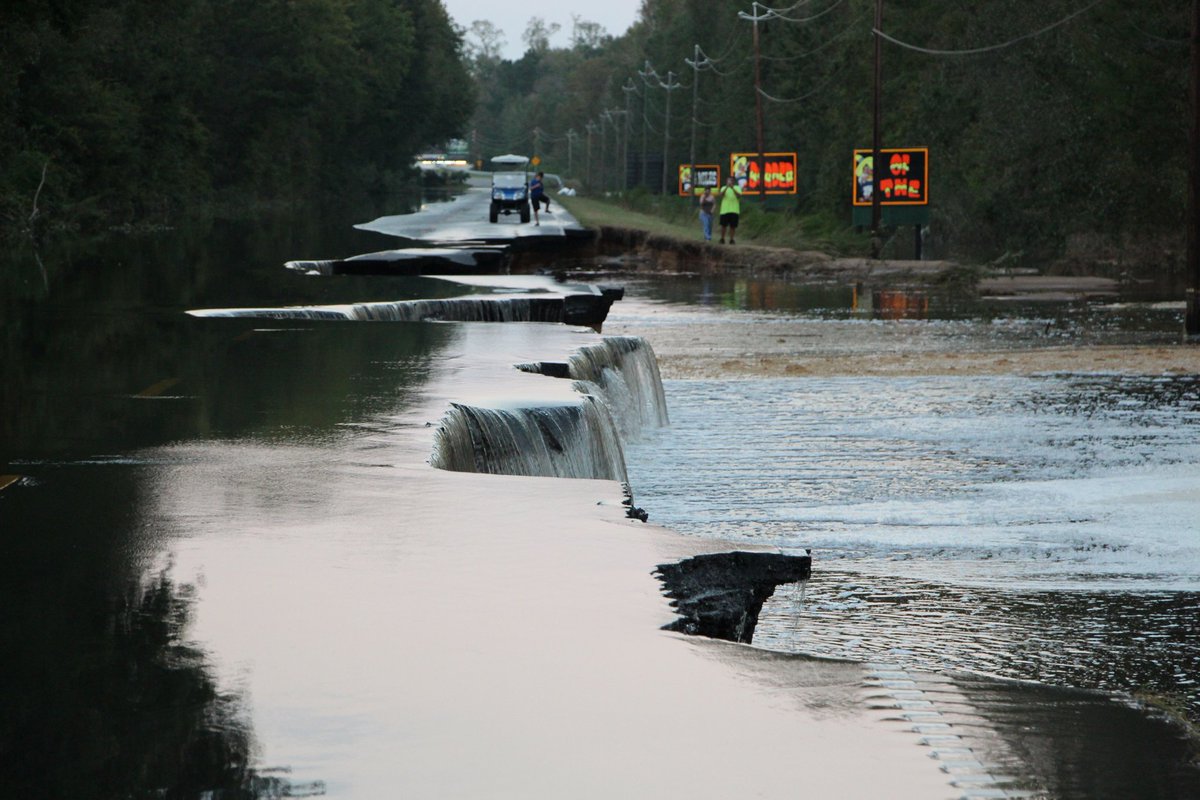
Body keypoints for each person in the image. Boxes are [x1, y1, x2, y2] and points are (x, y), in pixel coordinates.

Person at [717, 175, 742, 244]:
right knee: (723, 226)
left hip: (734, 210)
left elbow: (739, 196)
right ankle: (722, 238)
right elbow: (721, 195)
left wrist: (732, 188)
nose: (729, 182)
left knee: (733, 226)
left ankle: (731, 239)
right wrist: (727, 187)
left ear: (733, 181)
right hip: (725, 210)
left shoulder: (737, 187)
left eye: (731, 180)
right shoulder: (723, 188)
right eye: (728, 180)